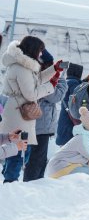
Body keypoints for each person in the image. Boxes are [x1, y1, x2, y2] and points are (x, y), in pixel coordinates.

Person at [0, 36, 60, 183]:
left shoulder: (24, 66)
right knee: (18, 152)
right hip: (18, 113)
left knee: (20, 151)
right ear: (33, 50)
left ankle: (9, 180)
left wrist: (54, 70)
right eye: (40, 51)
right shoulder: (21, 68)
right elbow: (31, 93)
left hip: (19, 111)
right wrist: (51, 86)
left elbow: (36, 80)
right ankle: (10, 183)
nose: (41, 54)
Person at [24, 49, 68, 182]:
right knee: (36, 161)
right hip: (39, 125)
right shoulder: (41, 78)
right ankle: (31, 187)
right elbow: (56, 96)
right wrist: (61, 79)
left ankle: (33, 186)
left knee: (37, 160)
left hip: (38, 124)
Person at [46, 107, 89, 178]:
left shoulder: (85, 137)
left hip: (61, 165)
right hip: (58, 167)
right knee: (87, 173)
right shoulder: (83, 139)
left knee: (86, 169)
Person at [56, 63, 83, 146]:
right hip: (70, 120)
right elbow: (75, 101)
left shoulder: (66, 82)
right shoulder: (75, 84)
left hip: (64, 117)